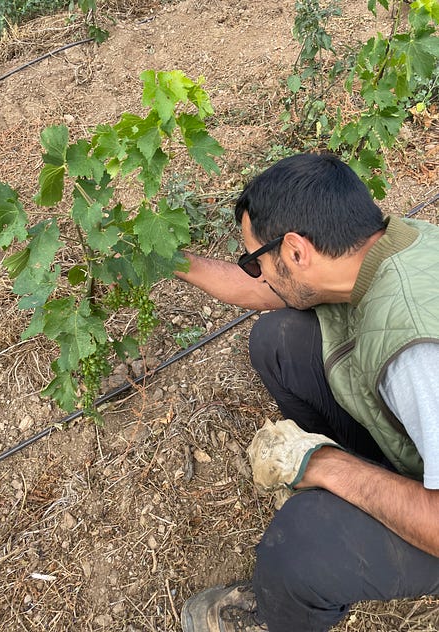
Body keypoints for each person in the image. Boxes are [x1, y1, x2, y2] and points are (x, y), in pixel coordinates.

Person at [175, 153, 439, 632]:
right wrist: (168, 259)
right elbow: (262, 293)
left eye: (256, 262)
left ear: (296, 251)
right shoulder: (388, 246)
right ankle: (363, 492)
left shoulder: (418, 354)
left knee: (303, 542)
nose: (257, 274)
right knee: (278, 341)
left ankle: (286, 612)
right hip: (423, 438)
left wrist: (324, 465)